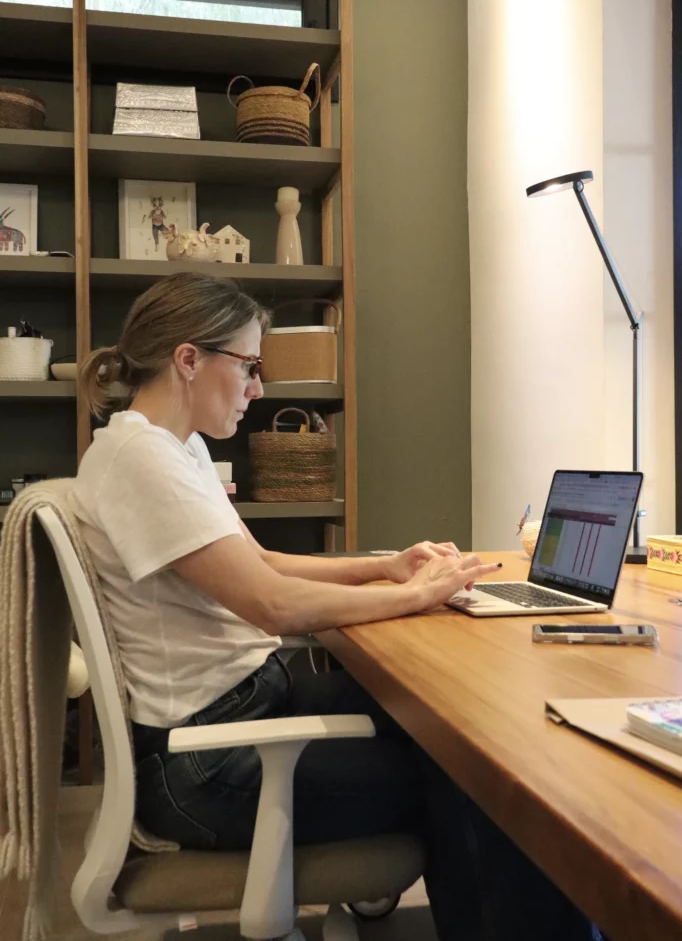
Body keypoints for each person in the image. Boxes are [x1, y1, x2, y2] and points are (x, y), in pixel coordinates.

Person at [71, 272, 595, 940]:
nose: (258, 388)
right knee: (476, 781)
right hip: (205, 764)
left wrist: (385, 566)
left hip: (241, 709)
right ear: (189, 359)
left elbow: (262, 562)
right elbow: (271, 604)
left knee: (460, 731)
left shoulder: (176, 448)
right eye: (249, 366)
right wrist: (412, 596)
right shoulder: (140, 460)